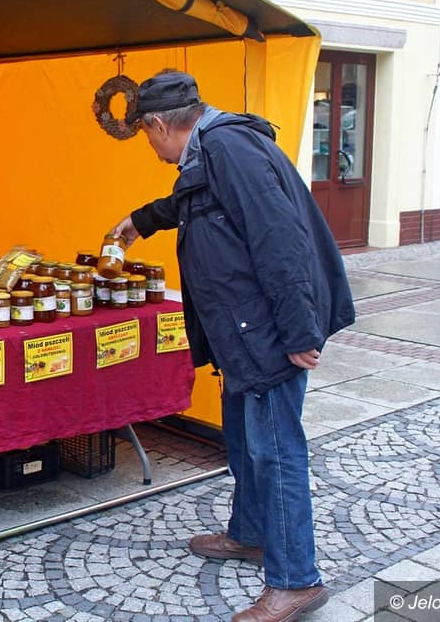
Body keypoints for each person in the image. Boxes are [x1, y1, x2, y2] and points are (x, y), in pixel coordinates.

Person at [108, 71, 354, 622]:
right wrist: (142, 220)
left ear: (158, 124)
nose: (151, 146)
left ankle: (296, 580)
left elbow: (280, 239)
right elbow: (196, 200)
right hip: (241, 333)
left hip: (267, 333)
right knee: (245, 441)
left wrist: (299, 331)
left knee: (275, 451)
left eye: (145, 134)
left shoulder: (229, 149)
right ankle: (251, 533)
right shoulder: (211, 151)